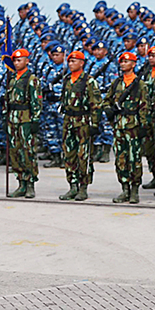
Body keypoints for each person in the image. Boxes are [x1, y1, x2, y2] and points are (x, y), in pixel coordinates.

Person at [103, 51, 149, 204]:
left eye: (127, 61)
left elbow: (144, 106)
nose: (123, 64)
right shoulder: (116, 83)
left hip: (133, 126)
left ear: (134, 64)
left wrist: (143, 125)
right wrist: (108, 110)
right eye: (121, 61)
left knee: (134, 158)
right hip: (119, 126)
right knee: (120, 159)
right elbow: (106, 101)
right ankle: (125, 189)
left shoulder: (140, 84)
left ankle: (135, 189)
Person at [59, 50, 101, 201]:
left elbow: (96, 104)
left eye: (74, 61)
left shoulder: (89, 81)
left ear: (82, 63)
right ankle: (72, 186)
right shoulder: (66, 80)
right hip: (68, 120)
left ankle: (83, 187)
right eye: (69, 61)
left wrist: (95, 124)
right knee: (69, 154)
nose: (71, 64)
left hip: (83, 121)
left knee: (83, 156)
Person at [4, 48, 42, 198]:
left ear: (27, 61)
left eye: (20, 60)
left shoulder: (31, 79)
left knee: (28, 152)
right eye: (14, 60)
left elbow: (36, 101)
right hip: (12, 119)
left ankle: (30, 183)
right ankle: (21, 182)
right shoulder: (12, 78)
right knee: (15, 151)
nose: (16, 63)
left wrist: (35, 120)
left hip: (25, 119)